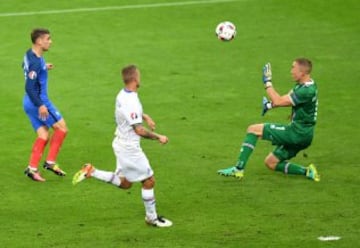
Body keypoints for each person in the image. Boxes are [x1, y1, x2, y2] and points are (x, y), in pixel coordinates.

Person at [72, 65, 172, 227]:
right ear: (134, 79)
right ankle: (151, 218)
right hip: (129, 148)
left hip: (120, 142)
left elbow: (128, 114)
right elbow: (138, 130)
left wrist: (145, 116)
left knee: (125, 183)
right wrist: (158, 136)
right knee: (149, 181)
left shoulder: (123, 94)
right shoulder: (131, 100)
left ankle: (92, 171)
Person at [218, 58, 320, 182]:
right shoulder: (307, 84)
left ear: (302, 73)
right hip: (304, 134)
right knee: (271, 163)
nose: (291, 71)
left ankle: (238, 168)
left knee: (253, 130)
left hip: (297, 133)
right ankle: (308, 171)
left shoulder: (306, 91)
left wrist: (267, 82)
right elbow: (285, 100)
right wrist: (270, 105)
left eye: (293, 68)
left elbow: (278, 100)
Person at [23, 28, 67, 182]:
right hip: (38, 101)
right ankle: (50, 162)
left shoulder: (30, 54)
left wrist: (43, 67)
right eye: (48, 39)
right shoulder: (35, 63)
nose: (50, 41)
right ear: (39, 41)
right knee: (61, 128)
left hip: (28, 103)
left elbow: (26, 67)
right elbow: (29, 87)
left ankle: (32, 169)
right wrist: (41, 105)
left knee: (43, 135)